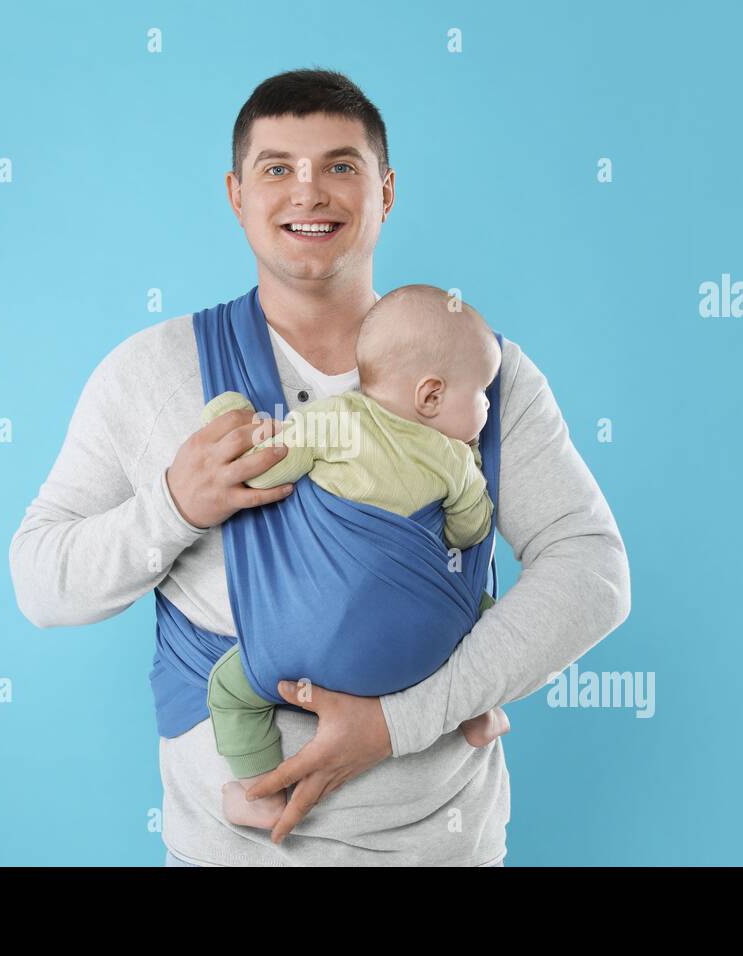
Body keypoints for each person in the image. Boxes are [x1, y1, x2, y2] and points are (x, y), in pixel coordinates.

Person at [8, 68, 631, 866]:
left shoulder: (480, 372)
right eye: (278, 169)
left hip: (442, 848)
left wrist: (415, 714)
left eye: (341, 166)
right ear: (236, 193)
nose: (310, 193)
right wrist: (172, 507)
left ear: (387, 191)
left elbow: (594, 569)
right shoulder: (148, 373)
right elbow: (39, 582)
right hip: (228, 853)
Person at [202, 285, 511, 829]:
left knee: (229, 691)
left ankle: (259, 794)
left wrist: (232, 416)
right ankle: (478, 712)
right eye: (481, 393)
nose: (488, 405)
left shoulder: (335, 419)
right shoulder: (455, 460)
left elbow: (265, 468)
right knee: (480, 610)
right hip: (422, 654)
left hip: (300, 655)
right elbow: (470, 530)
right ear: (431, 397)